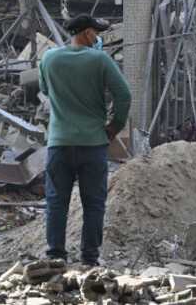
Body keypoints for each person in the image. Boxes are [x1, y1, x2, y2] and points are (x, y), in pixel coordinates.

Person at [38, 13, 132, 266]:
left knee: (57, 203)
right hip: (93, 144)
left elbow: (45, 90)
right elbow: (124, 94)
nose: (99, 36)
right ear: (87, 33)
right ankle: (89, 258)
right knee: (93, 204)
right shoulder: (100, 59)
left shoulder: (49, 58)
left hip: (59, 143)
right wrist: (116, 126)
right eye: (97, 31)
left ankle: (55, 256)